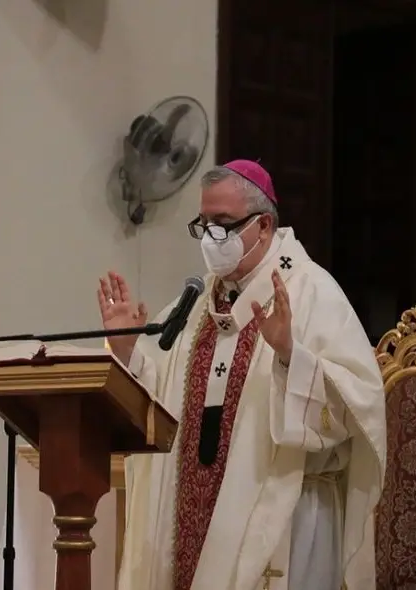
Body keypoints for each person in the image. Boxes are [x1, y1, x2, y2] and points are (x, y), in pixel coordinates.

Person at [98, 160, 387, 590]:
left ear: (264, 226)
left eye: (224, 224)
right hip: (192, 514)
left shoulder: (312, 292)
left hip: (288, 516)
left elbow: (359, 405)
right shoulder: (196, 304)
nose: (211, 237)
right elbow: (161, 396)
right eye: (204, 224)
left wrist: (290, 356)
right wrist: (126, 353)